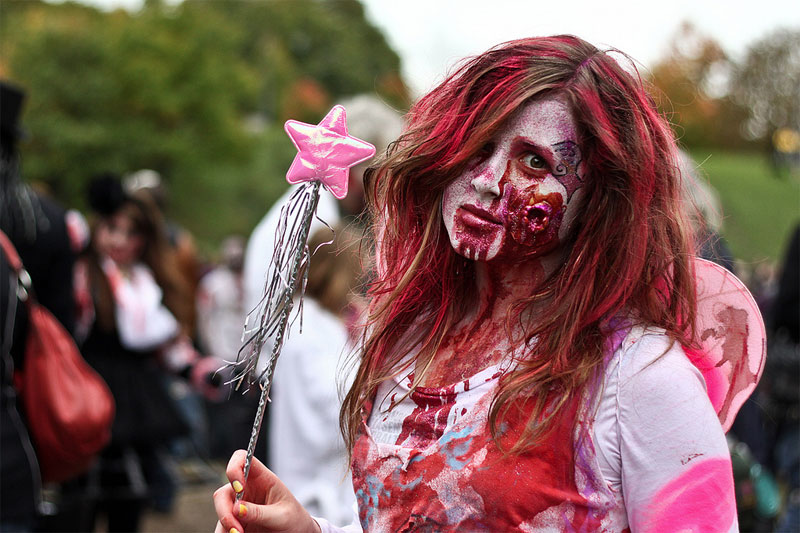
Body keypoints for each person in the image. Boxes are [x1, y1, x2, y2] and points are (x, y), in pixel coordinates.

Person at [214, 35, 761, 532]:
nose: (488, 181)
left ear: (600, 198)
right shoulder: (410, 341)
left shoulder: (637, 377)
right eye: (476, 145)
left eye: (533, 160)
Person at [74, 174, 198, 532]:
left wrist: (199, 371)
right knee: (84, 502)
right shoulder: (84, 278)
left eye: (132, 233)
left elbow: (172, 348)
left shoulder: (149, 281)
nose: (120, 241)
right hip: (91, 399)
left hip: (138, 406)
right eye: (112, 229)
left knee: (129, 504)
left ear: (145, 240)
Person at [268, 224, 365, 526]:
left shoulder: (327, 321)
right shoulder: (305, 325)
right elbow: (334, 402)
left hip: (328, 476)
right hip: (317, 480)